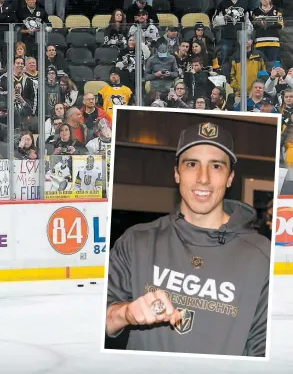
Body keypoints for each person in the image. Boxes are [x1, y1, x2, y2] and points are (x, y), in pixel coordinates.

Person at [105, 121, 270, 356]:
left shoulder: (263, 258)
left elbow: (266, 353)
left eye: (216, 166)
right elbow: (92, 319)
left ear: (230, 177)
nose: (203, 178)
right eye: (192, 164)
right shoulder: (136, 241)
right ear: (176, 173)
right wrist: (125, 313)